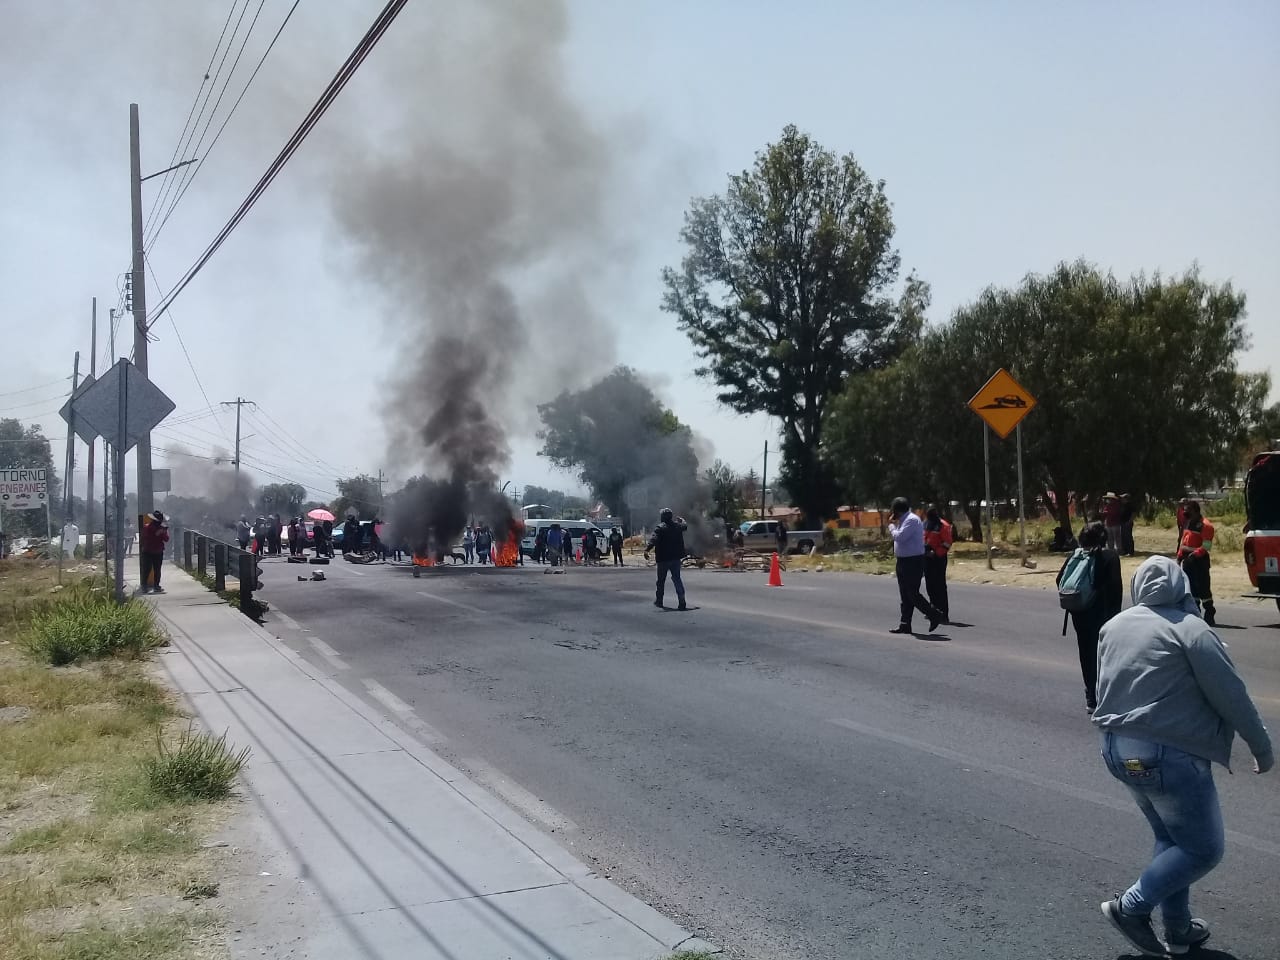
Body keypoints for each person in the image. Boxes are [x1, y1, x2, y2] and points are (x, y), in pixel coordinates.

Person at [1094, 555, 1272, 957]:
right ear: (1181, 585)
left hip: (1117, 750)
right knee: (1203, 849)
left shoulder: (1113, 626)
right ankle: (1130, 908)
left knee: (1172, 839)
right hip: (1166, 754)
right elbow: (1231, 695)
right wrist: (1261, 746)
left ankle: (1178, 930)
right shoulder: (1191, 630)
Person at [1056, 521, 1123, 712]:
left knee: (1086, 653)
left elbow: (1059, 580)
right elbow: (1115, 588)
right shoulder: (1110, 556)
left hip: (1079, 612)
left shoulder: (1075, 556)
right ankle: (1105, 696)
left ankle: (1091, 698)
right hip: (1102, 614)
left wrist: (1080, 598)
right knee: (1105, 655)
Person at [886, 497, 943, 634]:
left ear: (897, 510)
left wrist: (891, 526)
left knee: (912, 593)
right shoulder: (903, 520)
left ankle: (933, 614)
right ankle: (905, 624)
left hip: (913, 561)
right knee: (904, 595)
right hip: (903, 561)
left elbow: (900, 537)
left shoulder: (911, 520)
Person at [1176, 500, 1216, 626]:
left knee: (1204, 589)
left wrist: (1193, 553)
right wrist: (1179, 557)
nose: (1185, 513)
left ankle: (1209, 613)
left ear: (1195, 511)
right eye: (1185, 510)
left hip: (1199, 561)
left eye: (1188, 511)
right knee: (1192, 590)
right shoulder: (1187, 523)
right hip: (1188, 562)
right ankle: (1195, 613)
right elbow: (1184, 542)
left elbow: (1206, 547)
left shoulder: (1206, 526)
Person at [645, 507, 688, 610]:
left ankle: (659, 601)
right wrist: (682, 520)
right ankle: (682, 601)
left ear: (663, 517)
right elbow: (685, 526)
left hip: (663, 559)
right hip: (675, 558)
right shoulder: (677, 526)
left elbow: (653, 539)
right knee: (677, 579)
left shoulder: (660, 528)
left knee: (661, 581)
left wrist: (647, 550)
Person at [922, 506, 954, 624]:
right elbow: (923, 538)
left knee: (940, 586)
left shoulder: (943, 525)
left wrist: (935, 553)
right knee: (930, 585)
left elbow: (947, 543)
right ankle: (933, 611)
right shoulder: (925, 523)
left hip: (938, 558)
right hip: (926, 557)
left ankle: (944, 614)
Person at [138, 511, 170, 594]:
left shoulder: (160, 528)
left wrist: (163, 532)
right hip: (149, 551)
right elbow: (145, 537)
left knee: (155, 569)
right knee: (149, 569)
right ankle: (146, 586)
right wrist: (158, 532)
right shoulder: (147, 527)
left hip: (155, 551)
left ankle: (154, 586)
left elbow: (166, 539)